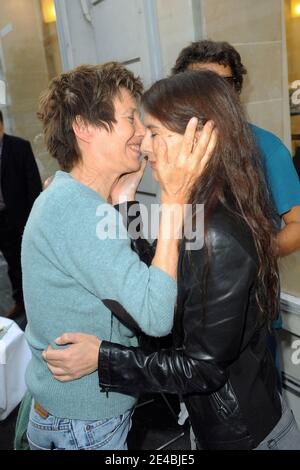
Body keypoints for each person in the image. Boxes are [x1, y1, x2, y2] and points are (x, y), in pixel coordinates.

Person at [44, 70, 300, 450]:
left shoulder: (219, 231)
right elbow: (162, 283)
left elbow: (202, 368)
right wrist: (127, 204)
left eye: (154, 132)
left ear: (198, 140)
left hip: (245, 437)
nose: (143, 144)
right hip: (213, 425)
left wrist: (103, 359)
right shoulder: (200, 210)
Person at [22, 63, 215, 451]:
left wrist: (125, 201)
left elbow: (130, 271)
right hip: (85, 423)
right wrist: (176, 200)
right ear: (85, 128)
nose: (142, 134)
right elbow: (155, 314)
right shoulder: (78, 211)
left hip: (70, 414)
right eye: (131, 118)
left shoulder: (72, 200)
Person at [172, 40, 300, 258]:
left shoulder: (268, 148)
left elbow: (296, 225)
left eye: (224, 84)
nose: (214, 95)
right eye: (202, 85)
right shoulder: (174, 145)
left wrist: (252, 257)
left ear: (236, 90)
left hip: (249, 287)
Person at [0, 110, 42, 319]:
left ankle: (33, 305)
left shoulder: (19, 147)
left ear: (1, 126)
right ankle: (19, 301)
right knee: (10, 264)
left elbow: (33, 185)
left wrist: (33, 220)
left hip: (18, 217)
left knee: (24, 262)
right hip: (0, 219)